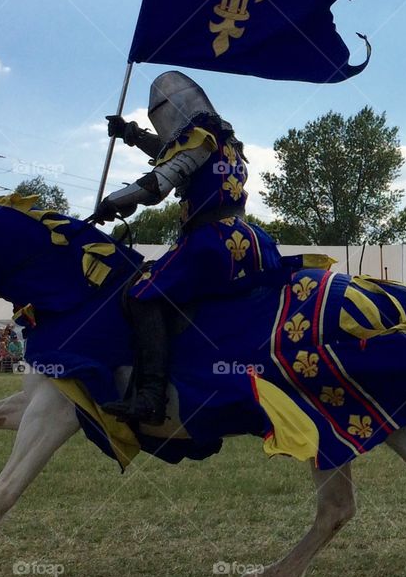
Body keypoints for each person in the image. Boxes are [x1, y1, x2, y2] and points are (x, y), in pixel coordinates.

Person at [90, 71, 284, 425]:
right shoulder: (227, 142)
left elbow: (157, 183)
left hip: (211, 241)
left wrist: (112, 201)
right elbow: (173, 154)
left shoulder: (198, 137)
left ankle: (150, 396)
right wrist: (131, 134)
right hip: (246, 239)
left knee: (141, 294)